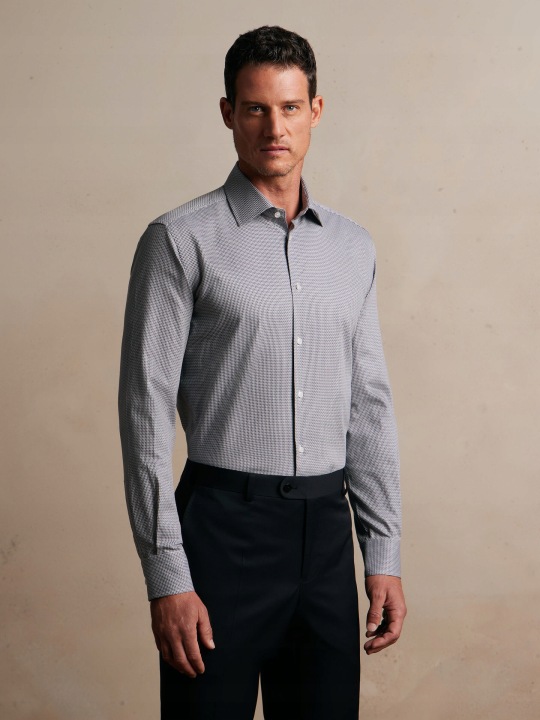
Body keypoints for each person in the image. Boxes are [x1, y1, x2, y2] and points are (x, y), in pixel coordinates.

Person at [118, 24, 406, 720]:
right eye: (254, 108)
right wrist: (167, 575)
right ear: (228, 113)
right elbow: (145, 413)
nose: (274, 128)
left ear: (315, 110)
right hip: (222, 536)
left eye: (289, 107)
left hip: (326, 535)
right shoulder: (179, 240)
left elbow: (368, 406)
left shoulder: (352, 247)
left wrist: (383, 553)